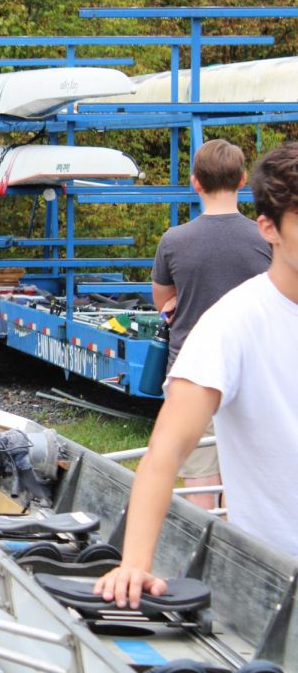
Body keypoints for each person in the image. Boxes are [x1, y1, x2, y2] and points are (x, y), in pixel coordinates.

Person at [95, 143, 298, 610]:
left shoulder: (179, 241)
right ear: (268, 227)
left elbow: (160, 294)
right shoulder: (231, 325)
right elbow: (165, 452)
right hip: (277, 585)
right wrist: (135, 563)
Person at [150, 139, 271, 508]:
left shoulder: (174, 241)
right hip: (252, 370)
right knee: (253, 479)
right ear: (243, 180)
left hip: (193, 371)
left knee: (199, 479)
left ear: (194, 183)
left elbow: (163, 303)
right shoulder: (266, 238)